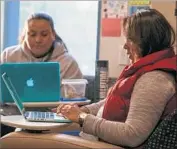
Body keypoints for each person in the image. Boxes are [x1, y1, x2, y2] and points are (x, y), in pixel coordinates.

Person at [54, 9, 177, 148]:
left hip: (106, 144)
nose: (125, 46)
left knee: (33, 138)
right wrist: (84, 110)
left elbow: (132, 135)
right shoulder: (146, 71)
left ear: (146, 42)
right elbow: (114, 103)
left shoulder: (154, 79)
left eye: (129, 40)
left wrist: (81, 118)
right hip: (98, 139)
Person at [0, 12, 82, 136]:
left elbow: (75, 98)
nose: (38, 40)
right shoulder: (8, 55)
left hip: (51, 119)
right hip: (11, 116)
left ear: (53, 35)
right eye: (32, 34)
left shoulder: (68, 62)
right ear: (24, 34)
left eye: (44, 34)